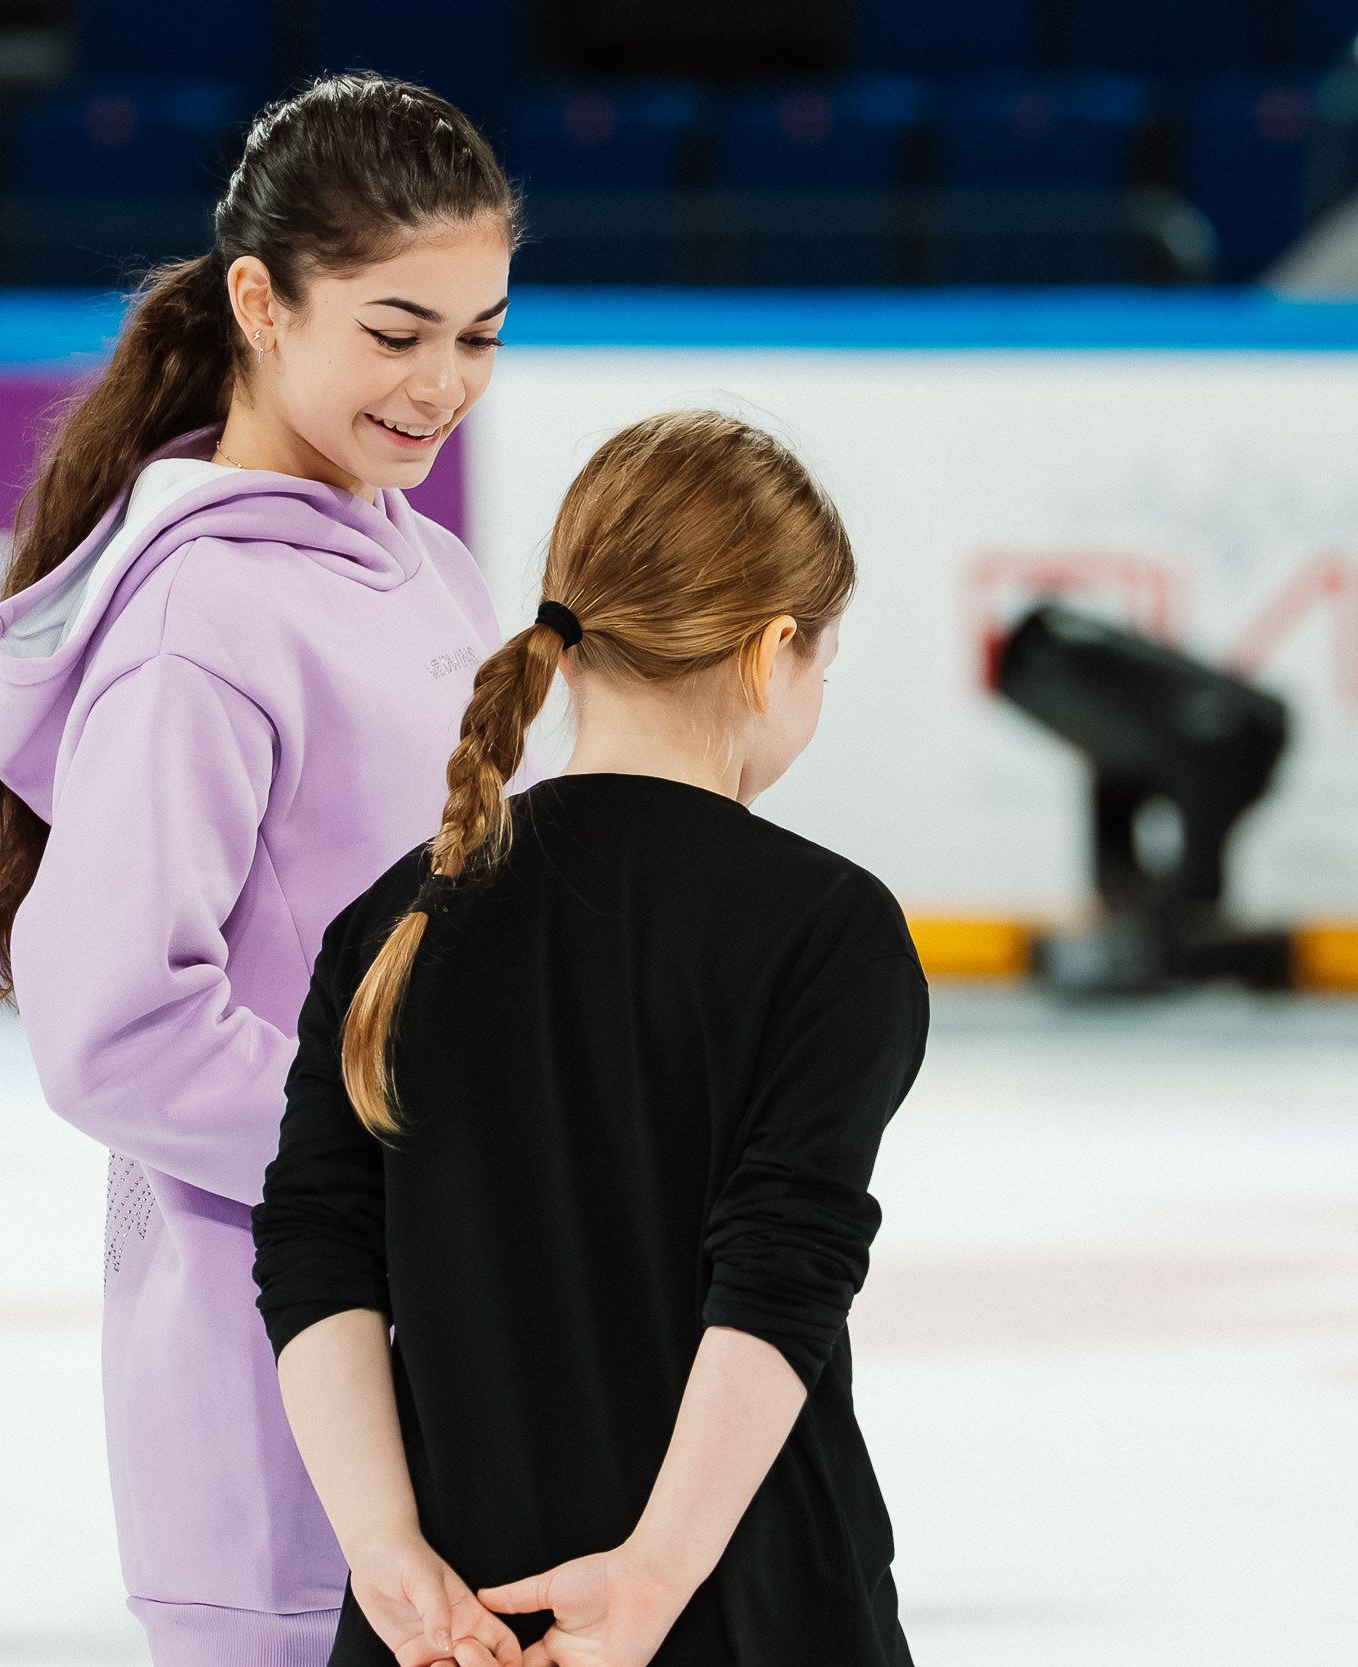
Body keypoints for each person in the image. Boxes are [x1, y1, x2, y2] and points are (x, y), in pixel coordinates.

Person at [0, 74, 519, 1667]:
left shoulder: (431, 565)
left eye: (479, 334)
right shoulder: (202, 625)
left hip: (441, 1352)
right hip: (269, 1402)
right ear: (261, 301)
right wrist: (425, 1160)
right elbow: (116, 1021)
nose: (442, 383)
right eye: (396, 333)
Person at [253, 411, 930, 1667]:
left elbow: (312, 1249)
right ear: (773, 652)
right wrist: (655, 1573)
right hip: (748, 1604)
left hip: (450, 1620)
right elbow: (780, 1274)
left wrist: (386, 1554)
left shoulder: (395, 916)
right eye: (823, 658)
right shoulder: (830, 930)